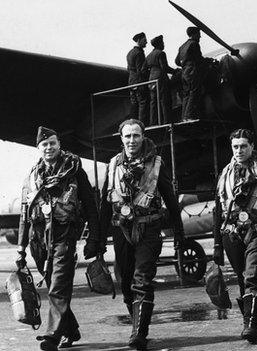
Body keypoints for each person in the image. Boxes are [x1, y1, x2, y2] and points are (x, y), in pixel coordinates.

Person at [16, 126, 103, 351]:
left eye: (52, 143)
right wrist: (21, 247)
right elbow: (25, 215)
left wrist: (95, 238)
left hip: (64, 237)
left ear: (59, 144)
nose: (49, 147)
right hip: (38, 240)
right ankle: (71, 330)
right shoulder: (32, 176)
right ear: (38, 148)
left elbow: (91, 208)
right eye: (44, 144)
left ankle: (52, 336)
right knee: (57, 287)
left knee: (58, 287)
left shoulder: (74, 172)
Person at [100, 119, 185, 350]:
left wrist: (179, 232)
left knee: (142, 279)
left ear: (143, 136)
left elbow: (170, 198)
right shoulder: (113, 164)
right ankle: (137, 322)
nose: (131, 141)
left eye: (136, 136)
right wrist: (97, 240)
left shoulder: (157, 163)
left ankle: (139, 333)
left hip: (149, 227)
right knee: (125, 281)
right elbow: (105, 203)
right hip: (121, 229)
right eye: (127, 136)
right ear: (121, 139)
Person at [212, 129, 257, 343]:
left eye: (244, 146)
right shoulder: (225, 174)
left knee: (252, 276)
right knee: (242, 278)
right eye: (235, 146)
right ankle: (247, 322)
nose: (239, 150)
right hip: (231, 233)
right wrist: (217, 244)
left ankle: (253, 326)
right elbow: (218, 210)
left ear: (252, 146)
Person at [146, 35, 176, 125]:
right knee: (164, 101)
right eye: (162, 43)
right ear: (159, 44)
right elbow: (164, 67)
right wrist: (175, 71)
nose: (164, 45)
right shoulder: (161, 53)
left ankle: (153, 123)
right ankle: (167, 122)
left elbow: (144, 69)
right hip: (161, 80)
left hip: (151, 80)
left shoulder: (148, 56)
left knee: (153, 103)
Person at [175, 26, 203, 121]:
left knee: (186, 94)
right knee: (194, 92)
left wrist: (185, 64)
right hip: (192, 72)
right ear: (194, 34)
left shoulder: (182, 46)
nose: (200, 37)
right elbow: (199, 59)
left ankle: (184, 117)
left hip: (184, 73)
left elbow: (177, 61)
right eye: (199, 34)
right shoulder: (194, 44)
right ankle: (189, 116)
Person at [127, 32, 150, 124]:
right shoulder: (139, 53)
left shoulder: (130, 53)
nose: (146, 42)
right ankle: (141, 124)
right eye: (144, 40)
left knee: (134, 104)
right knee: (143, 103)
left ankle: (132, 124)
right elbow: (141, 70)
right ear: (139, 40)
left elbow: (129, 69)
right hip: (139, 82)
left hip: (131, 82)